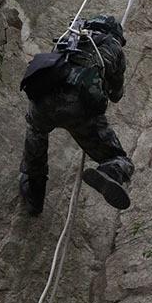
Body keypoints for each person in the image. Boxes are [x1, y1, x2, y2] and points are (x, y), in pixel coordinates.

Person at [19, 15, 134, 216]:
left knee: (36, 131)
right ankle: (110, 171)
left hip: (44, 99)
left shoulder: (70, 36)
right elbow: (116, 95)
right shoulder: (113, 47)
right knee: (118, 158)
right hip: (80, 109)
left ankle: (34, 192)